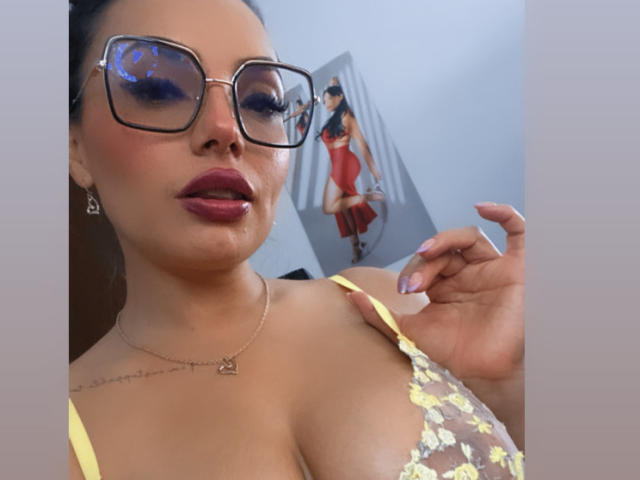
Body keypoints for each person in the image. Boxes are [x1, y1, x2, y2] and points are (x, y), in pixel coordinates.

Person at [68, 0, 525, 478]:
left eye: (262, 103)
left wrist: (509, 390)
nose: (226, 129)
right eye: (159, 90)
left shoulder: (393, 307)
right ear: (75, 148)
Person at [317, 78, 384, 263]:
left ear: (340, 96)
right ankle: (356, 248)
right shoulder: (335, 117)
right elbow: (334, 85)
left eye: (328, 99)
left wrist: (374, 170)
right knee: (343, 209)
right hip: (338, 164)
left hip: (346, 163)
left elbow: (362, 144)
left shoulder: (347, 116)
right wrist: (333, 85)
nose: (325, 104)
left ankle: (368, 197)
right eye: (324, 101)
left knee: (329, 206)